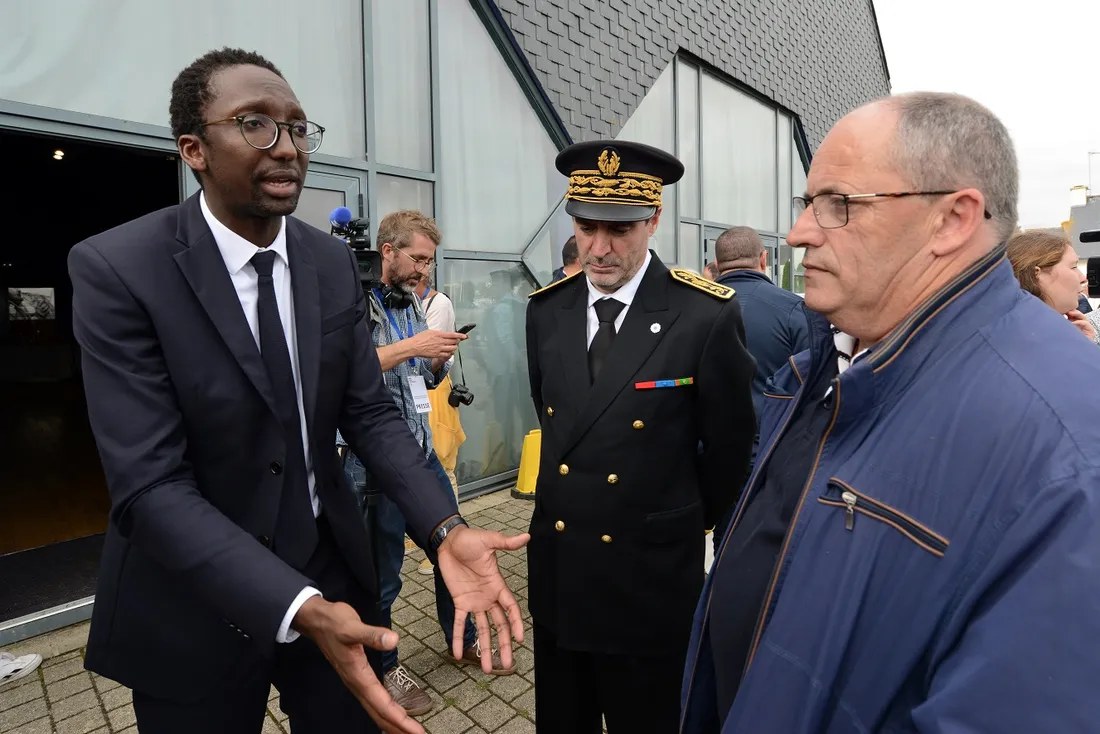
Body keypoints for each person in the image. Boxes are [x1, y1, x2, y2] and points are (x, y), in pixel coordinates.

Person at [69, 48, 527, 734]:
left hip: (331, 571)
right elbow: (149, 487)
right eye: (255, 124)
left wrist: (444, 528)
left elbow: (366, 412)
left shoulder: (329, 265)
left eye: (298, 128)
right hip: (191, 599)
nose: (286, 148)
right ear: (194, 148)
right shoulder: (119, 269)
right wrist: (298, 605)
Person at [681, 92, 1100, 733]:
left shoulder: (1066, 449)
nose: (797, 233)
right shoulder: (829, 362)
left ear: (953, 219)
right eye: (806, 203)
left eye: (838, 204)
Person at [525, 140, 756, 732]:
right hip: (562, 573)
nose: (598, 248)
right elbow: (557, 423)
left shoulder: (704, 315)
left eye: (619, 228)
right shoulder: (546, 311)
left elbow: (729, 454)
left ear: (653, 219)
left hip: (649, 581)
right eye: (585, 226)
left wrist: (679, 521)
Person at [341, 210, 514, 717]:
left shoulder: (412, 301)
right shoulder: (353, 303)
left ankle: (460, 635)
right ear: (387, 252)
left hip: (420, 453)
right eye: (417, 258)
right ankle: (383, 667)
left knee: (455, 546)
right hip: (371, 464)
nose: (424, 271)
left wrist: (436, 360)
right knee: (383, 575)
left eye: (430, 262)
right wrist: (413, 346)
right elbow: (345, 372)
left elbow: (421, 379)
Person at [711, 226, 811, 482]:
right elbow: (812, 386)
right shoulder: (794, 310)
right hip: (770, 456)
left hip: (705, 458)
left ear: (717, 264)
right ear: (763, 259)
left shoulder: (689, 309)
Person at [1006, 230, 1096, 342]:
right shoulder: (1024, 340)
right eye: (1073, 267)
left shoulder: (1012, 331)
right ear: (1036, 274)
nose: (1083, 278)